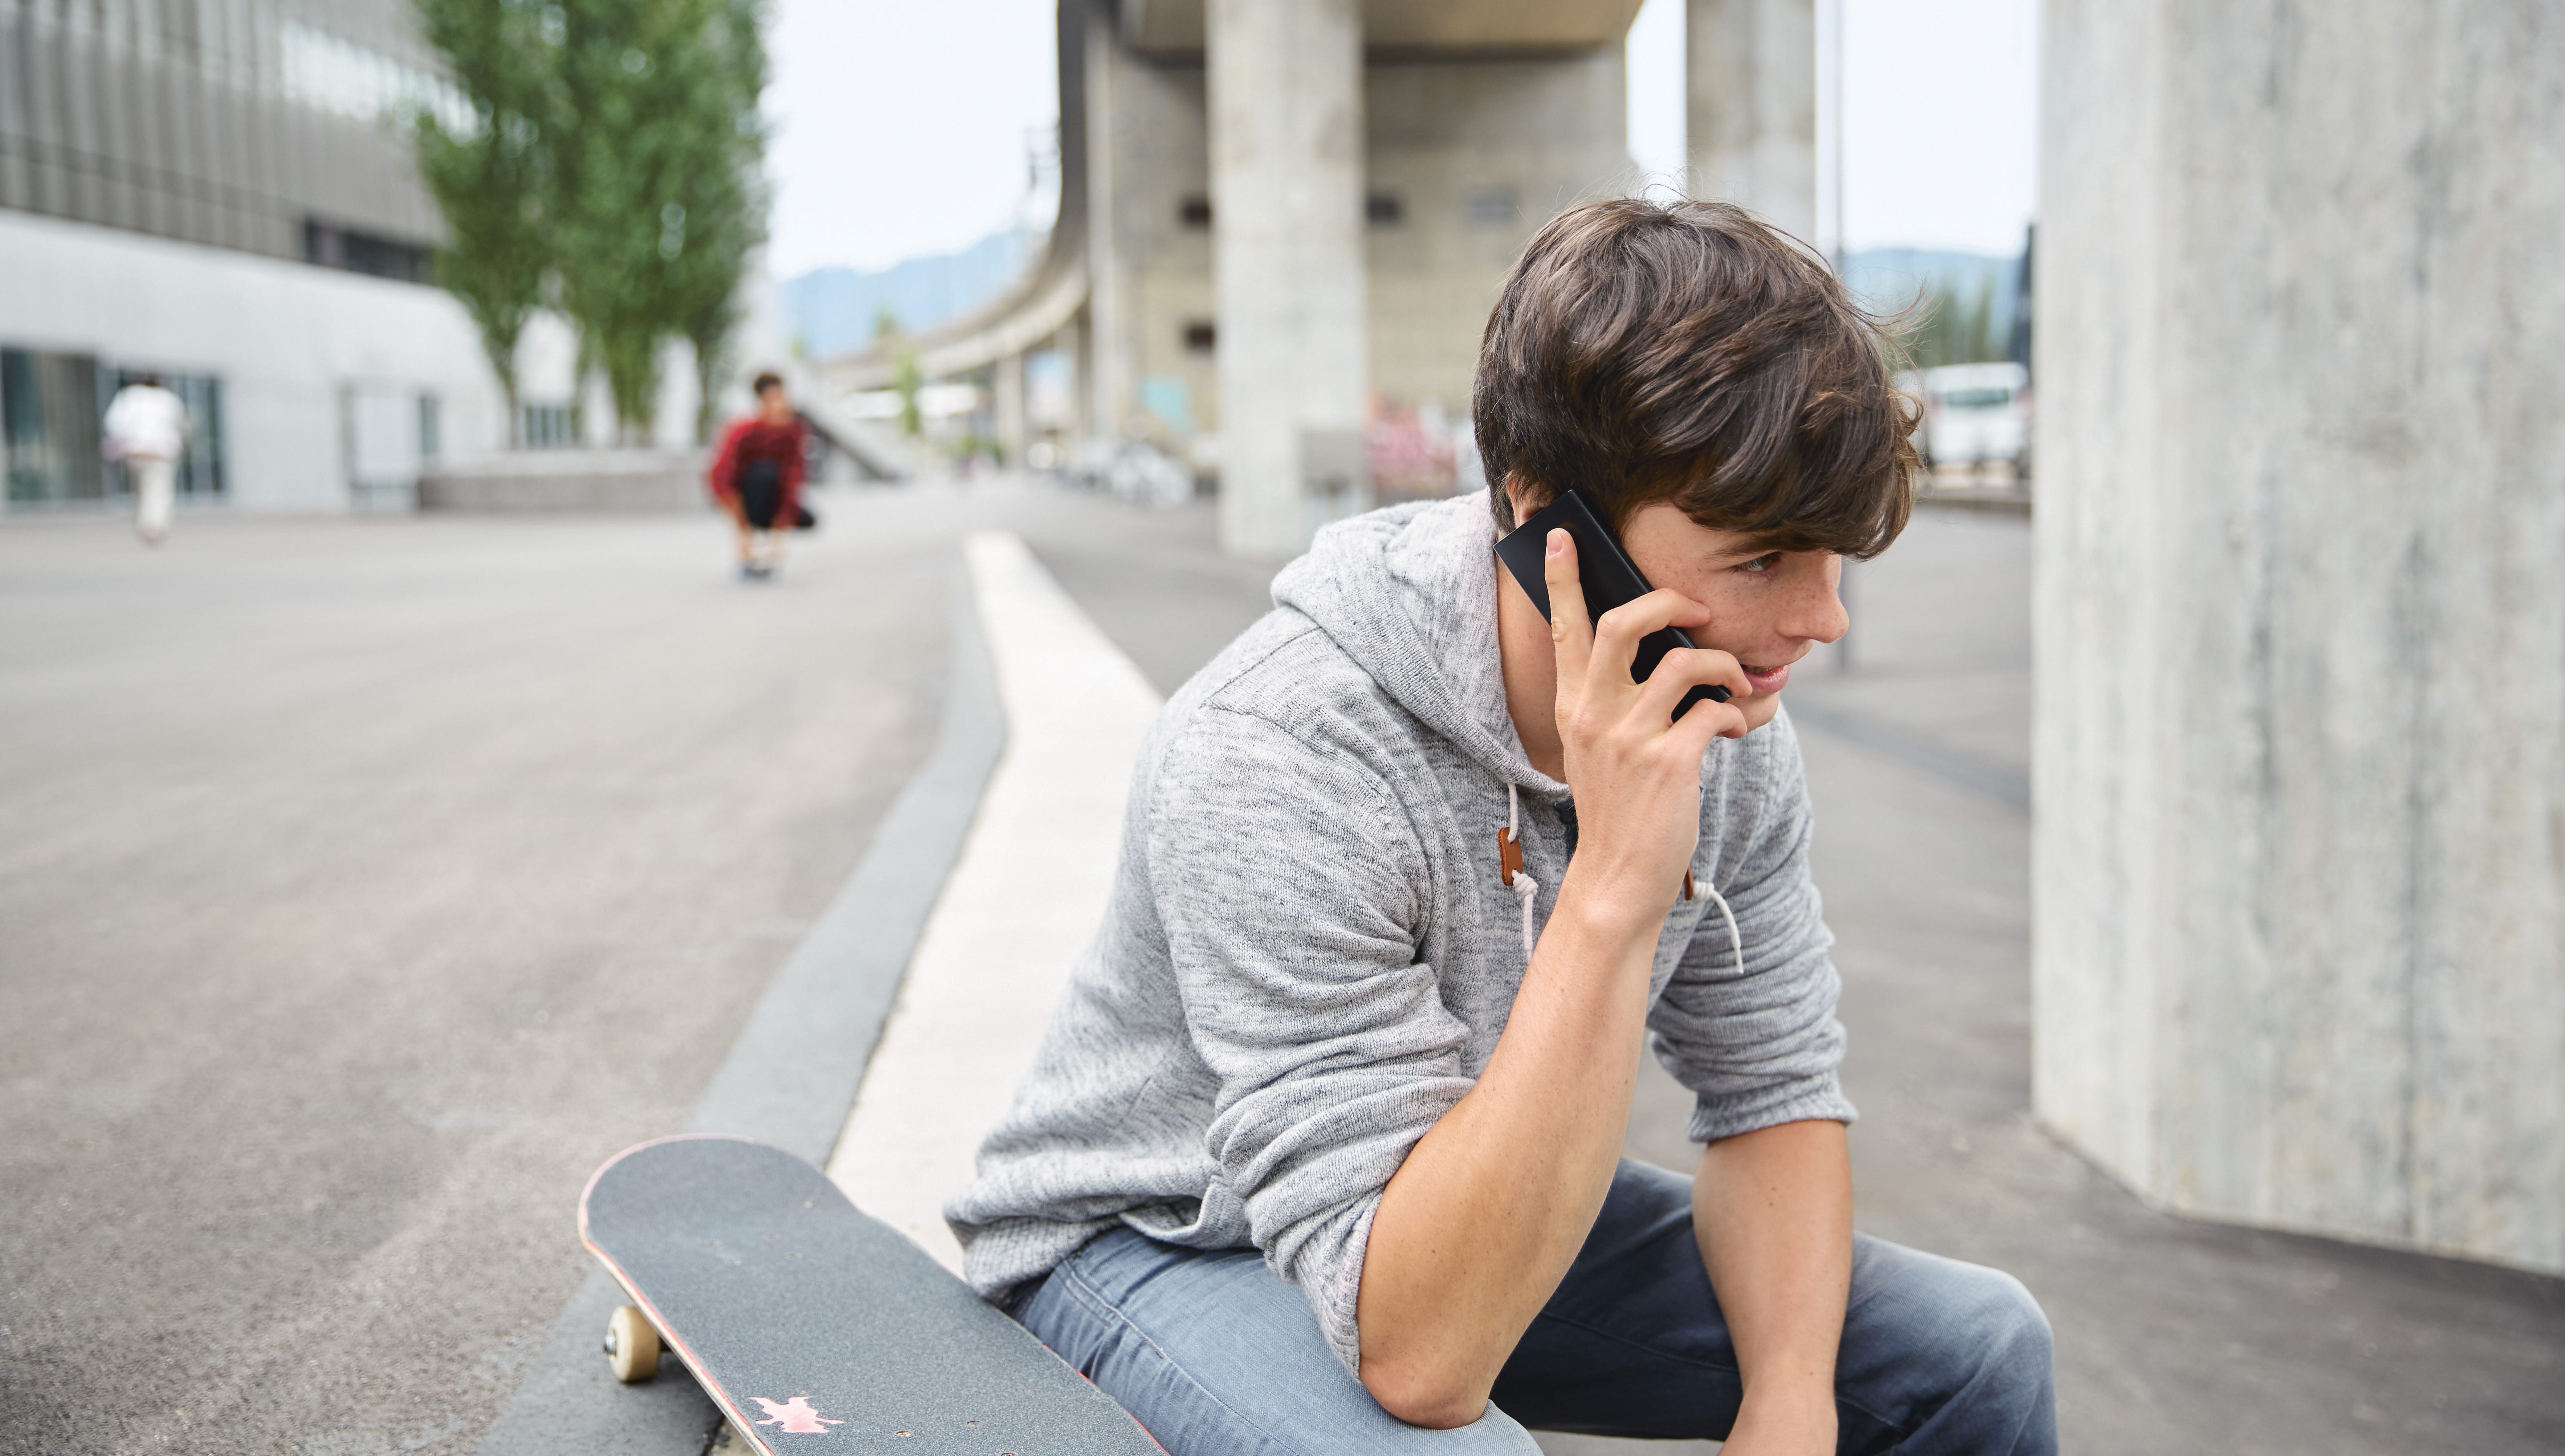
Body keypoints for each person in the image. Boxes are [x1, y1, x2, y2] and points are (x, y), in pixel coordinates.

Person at [947, 199, 2057, 1455]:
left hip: (1454, 1195)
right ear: (1545, 522)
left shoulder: (1723, 716)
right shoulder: (1279, 750)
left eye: (1833, 559)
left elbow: (1773, 1086)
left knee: (1976, 1350)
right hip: (1158, 1234)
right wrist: (1612, 891)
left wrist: (1790, 1402)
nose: (1823, 618)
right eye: (1761, 562)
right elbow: (1424, 1360)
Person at [706, 371, 809, 579]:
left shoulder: (793, 433)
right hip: (745, 494)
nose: (782, 405)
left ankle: (766, 532)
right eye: (775, 399)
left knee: (808, 519)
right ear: (762, 402)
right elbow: (722, 480)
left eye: (783, 398)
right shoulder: (743, 432)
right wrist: (742, 532)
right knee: (764, 473)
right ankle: (752, 542)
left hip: (772, 496)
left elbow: (793, 479)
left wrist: (781, 532)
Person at [103, 374, 187, 546]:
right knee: (158, 490)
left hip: (135, 452)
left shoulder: (128, 396)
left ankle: (145, 524)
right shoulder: (168, 399)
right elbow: (181, 425)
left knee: (140, 490)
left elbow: (113, 423)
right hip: (161, 452)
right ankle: (153, 527)